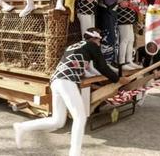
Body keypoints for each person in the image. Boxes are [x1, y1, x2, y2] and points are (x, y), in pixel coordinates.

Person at [13, 28, 129, 156]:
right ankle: (75, 153)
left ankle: (22, 127)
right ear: (94, 39)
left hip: (56, 81)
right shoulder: (92, 45)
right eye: (99, 40)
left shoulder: (73, 46)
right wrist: (117, 79)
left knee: (57, 121)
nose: (100, 43)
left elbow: (77, 64)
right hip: (67, 81)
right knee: (80, 117)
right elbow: (102, 66)